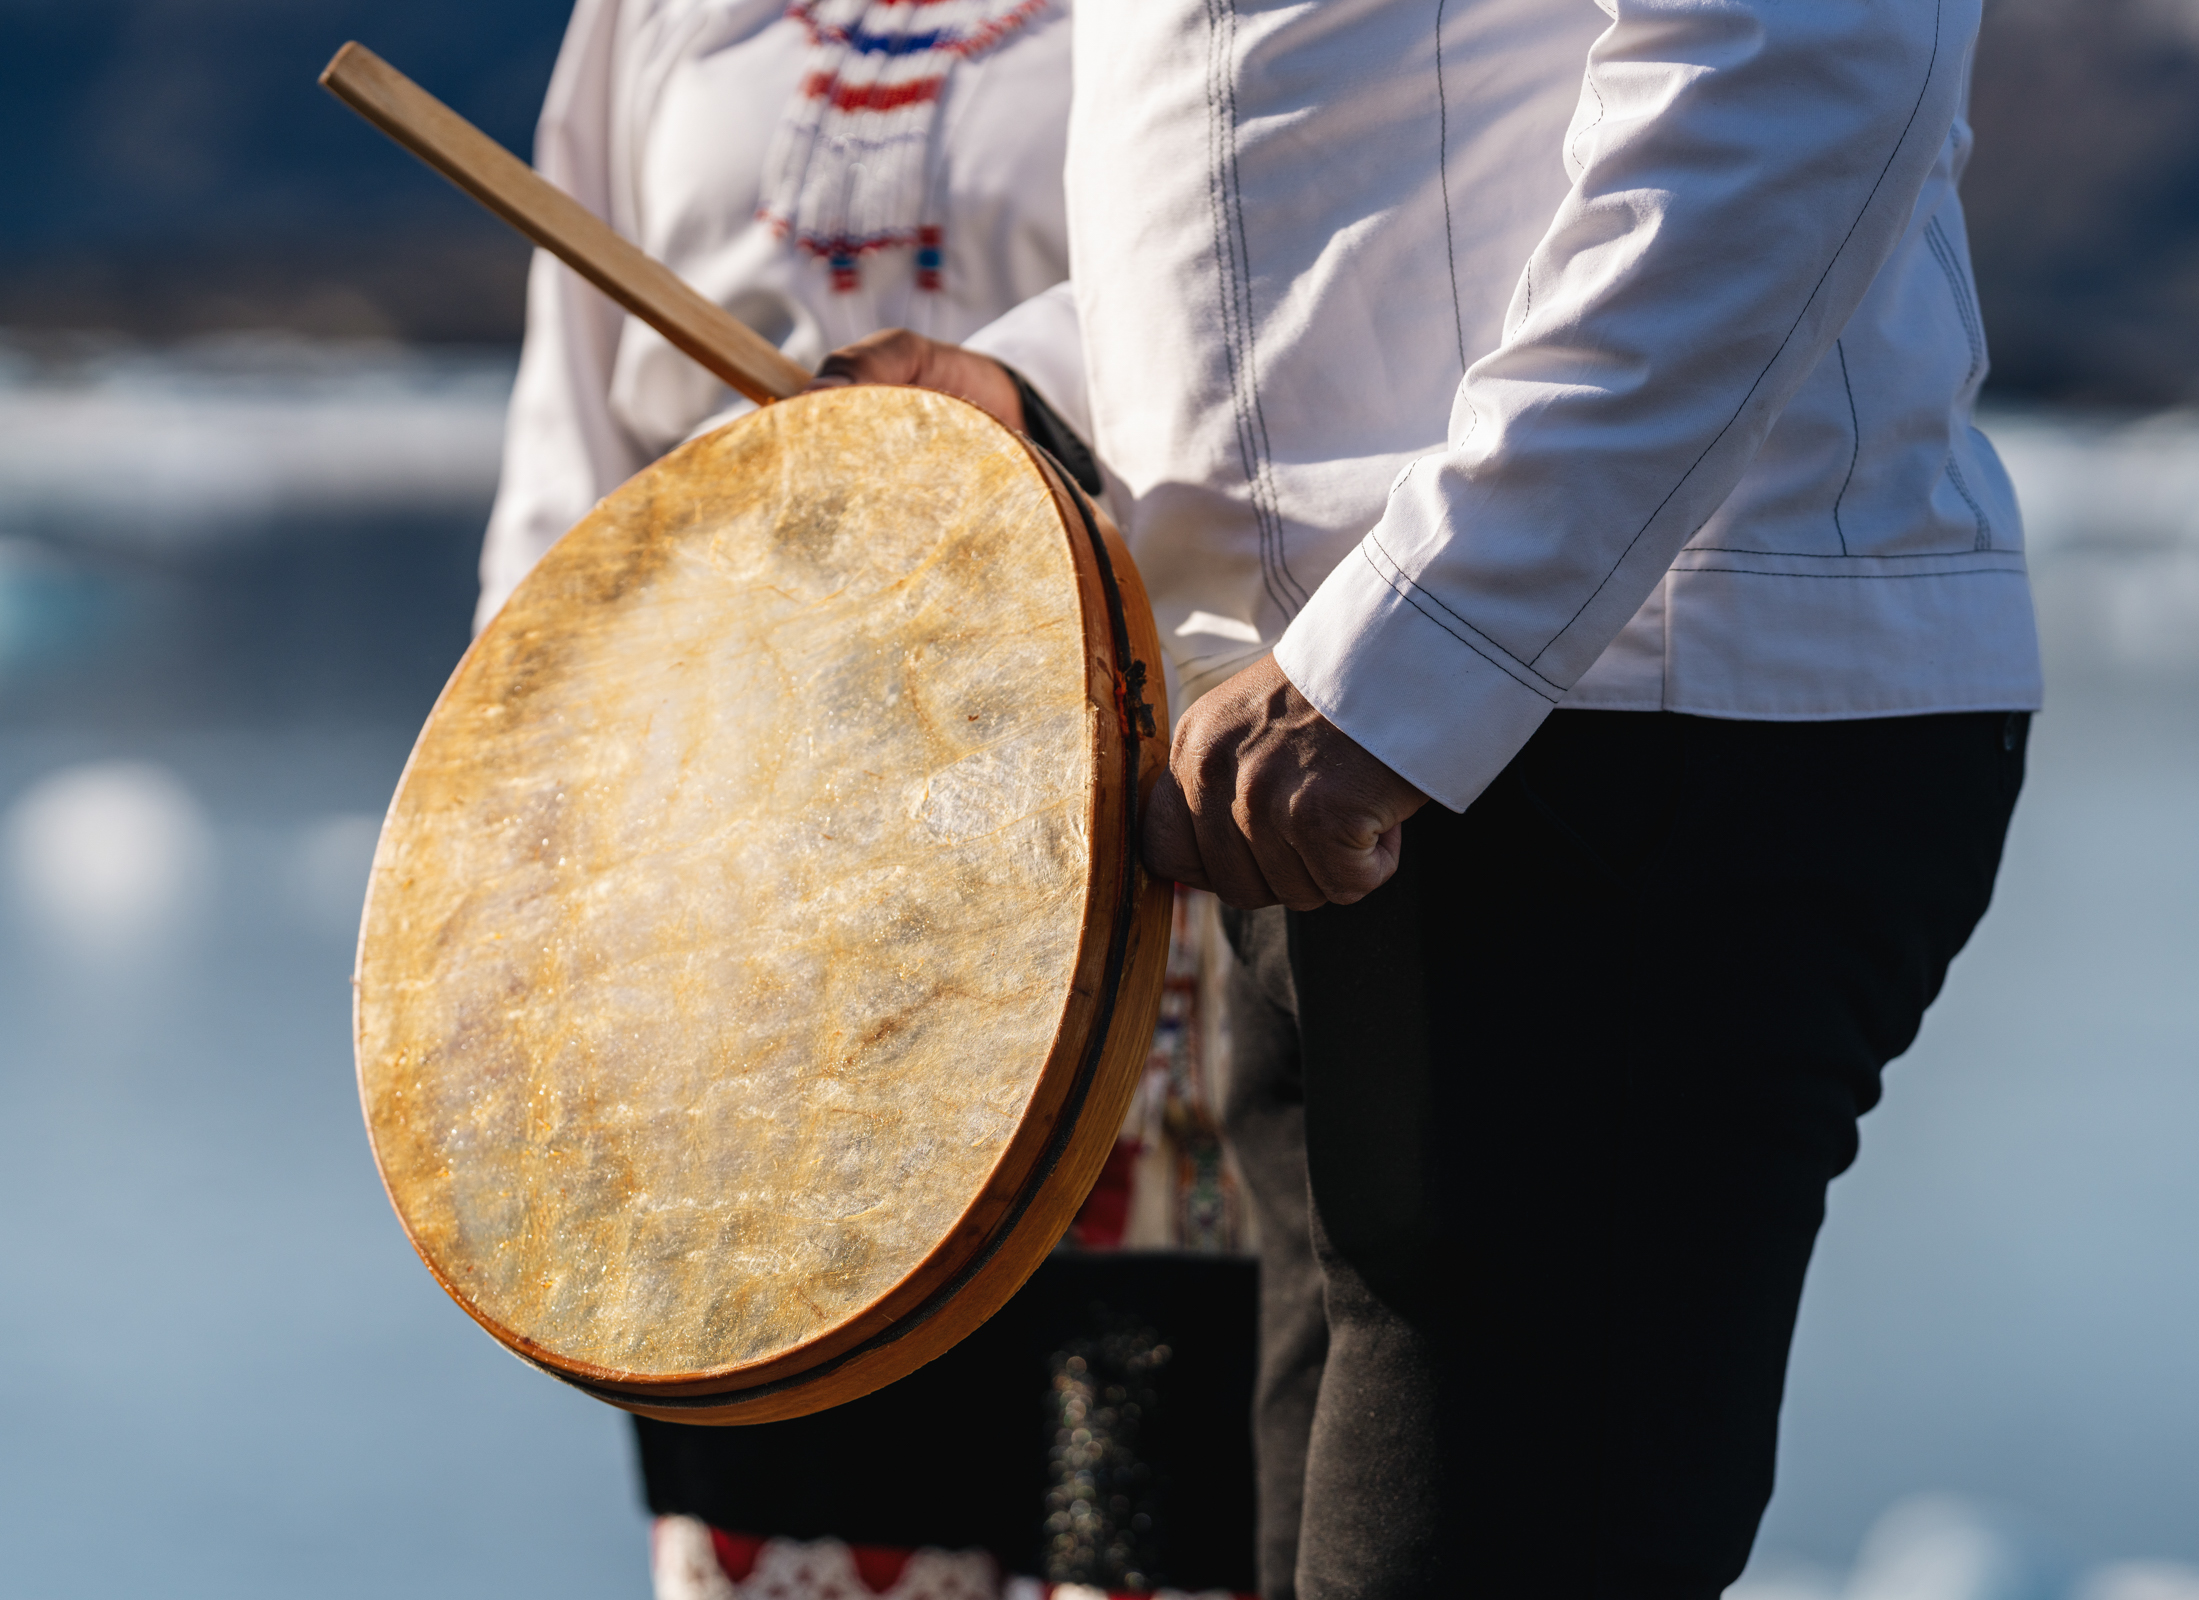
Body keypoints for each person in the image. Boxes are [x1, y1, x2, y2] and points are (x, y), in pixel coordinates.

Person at [825, 0, 2044, 1594]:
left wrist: (1428, 641)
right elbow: (1330, 143)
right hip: (1369, 726)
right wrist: (1046, 385)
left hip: (1607, 714)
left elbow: (1809, 51)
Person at [482, 2, 1263, 1596]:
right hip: (747, 900)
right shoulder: (657, 16)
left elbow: (1272, 303)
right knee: (796, 1488)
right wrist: (532, 853)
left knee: (1137, 1516)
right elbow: (572, 452)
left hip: (1119, 871)